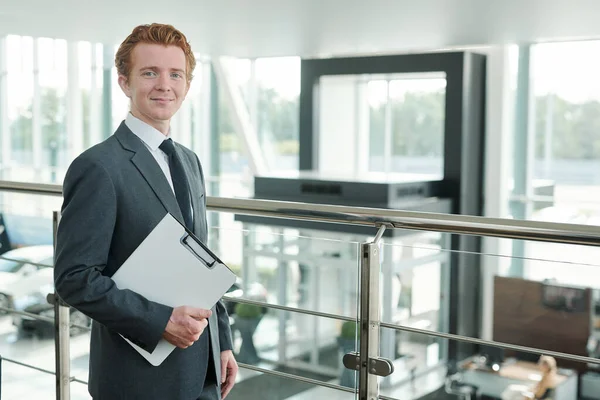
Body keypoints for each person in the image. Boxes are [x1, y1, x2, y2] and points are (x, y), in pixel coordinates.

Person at [54, 23, 237, 400]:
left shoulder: (190, 161)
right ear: (124, 82)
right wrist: (160, 321)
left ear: (186, 85)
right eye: (149, 72)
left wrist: (223, 342)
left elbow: (199, 259)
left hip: (202, 370)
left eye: (176, 74)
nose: (164, 85)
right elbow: (74, 277)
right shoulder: (98, 167)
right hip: (139, 380)